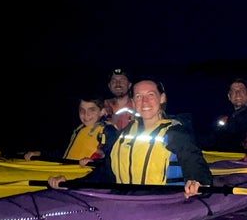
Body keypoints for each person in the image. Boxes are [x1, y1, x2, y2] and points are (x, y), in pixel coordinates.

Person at [49, 78, 212, 198]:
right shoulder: (126, 132)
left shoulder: (176, 133)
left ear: (162, 98)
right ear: (133, 102)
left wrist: (197, 181)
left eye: (150, 95)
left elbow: (195, 163)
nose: (145, 101)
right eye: (139, 97)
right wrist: (72, 184)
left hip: (163, 201)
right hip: (125, 200)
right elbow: (108, 171)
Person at [24, 96, 118, 166]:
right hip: (67, 170)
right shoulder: (79, 129)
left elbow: (113, 158)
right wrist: (40, 154)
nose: (86, 115)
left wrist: (93, 162)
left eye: (91, 110)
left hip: (85, 176)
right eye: (82, 110)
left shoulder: (108, 131)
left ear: (102, 112)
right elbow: (63, 153)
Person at [201, 77, 247, 151]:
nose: (237, 94)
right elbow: (212, 135)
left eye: (241, 90)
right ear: (229, 96)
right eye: (233, 91)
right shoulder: (222, 115)